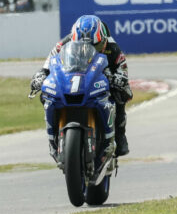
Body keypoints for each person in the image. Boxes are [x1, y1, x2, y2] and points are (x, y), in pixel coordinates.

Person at [29, 14, 133, 157]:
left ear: (102, 40)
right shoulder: (64, 43)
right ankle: (53, 137)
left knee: (120, 96)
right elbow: (49, 63)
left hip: (101, 79)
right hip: (75, 77)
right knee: (47, 94)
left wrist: (119, 79)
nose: (92, 49)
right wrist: (41, 74)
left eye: (96, 45)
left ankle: (120, 137)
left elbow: (123, 69)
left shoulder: (112, 47)